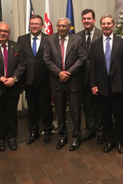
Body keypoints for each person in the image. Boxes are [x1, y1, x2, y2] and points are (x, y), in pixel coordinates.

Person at [0, 22, 26, 152]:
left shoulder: (17, 47)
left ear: (9, 33)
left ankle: (12, 139)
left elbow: (22, 65)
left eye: (5, 31)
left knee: (12, 115)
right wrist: (1, 79)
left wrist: (14, 78)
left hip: (13, 87)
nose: (3, 33)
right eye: (0, 31)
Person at [43, 17, 85, 151]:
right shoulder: (50, 39)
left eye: (64, 26)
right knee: (60, 112)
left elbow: (81, 58)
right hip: (57, 82)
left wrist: (67, 73)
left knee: (75, 112)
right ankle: (62, 137)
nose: (61, 28)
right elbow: (46, 58)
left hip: (73, 82)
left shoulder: (77, 39)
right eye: (59, 26)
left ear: (69, 27)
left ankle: (76, 138)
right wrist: (59, 73)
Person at [89, 14, 123, 154]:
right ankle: (109, 140)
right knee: (105, 116)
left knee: (119, 115)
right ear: (100, 25)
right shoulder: (95, 44)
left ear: (113, 24)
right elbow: (92, 67)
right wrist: (93, 84)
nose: (106, 26)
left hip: (118, 85)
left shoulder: (121, 42)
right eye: (103, 23)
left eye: (108, 23)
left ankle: (119, 141)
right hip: (101, 86)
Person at [17, 15, 53, 145]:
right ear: (29, 25)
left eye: (37, 24)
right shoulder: (21, 39)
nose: (34, 26)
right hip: (29, 80)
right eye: (32, 23)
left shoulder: (49, 39)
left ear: (42, 25)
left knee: (46, 107)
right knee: (32, 108)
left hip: (45, 79)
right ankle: (33, 131)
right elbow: (19, 60)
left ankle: (48, 129)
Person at [76, 9, 105, 144]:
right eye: (84, 19)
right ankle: (90, 131)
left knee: (99, 107)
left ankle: (100, 132)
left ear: (94, 19)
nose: (86, 21)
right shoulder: (76, 36)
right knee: (87, 107)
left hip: (99, 78)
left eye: (89, 18)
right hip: (83, 79)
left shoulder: (102, 34)